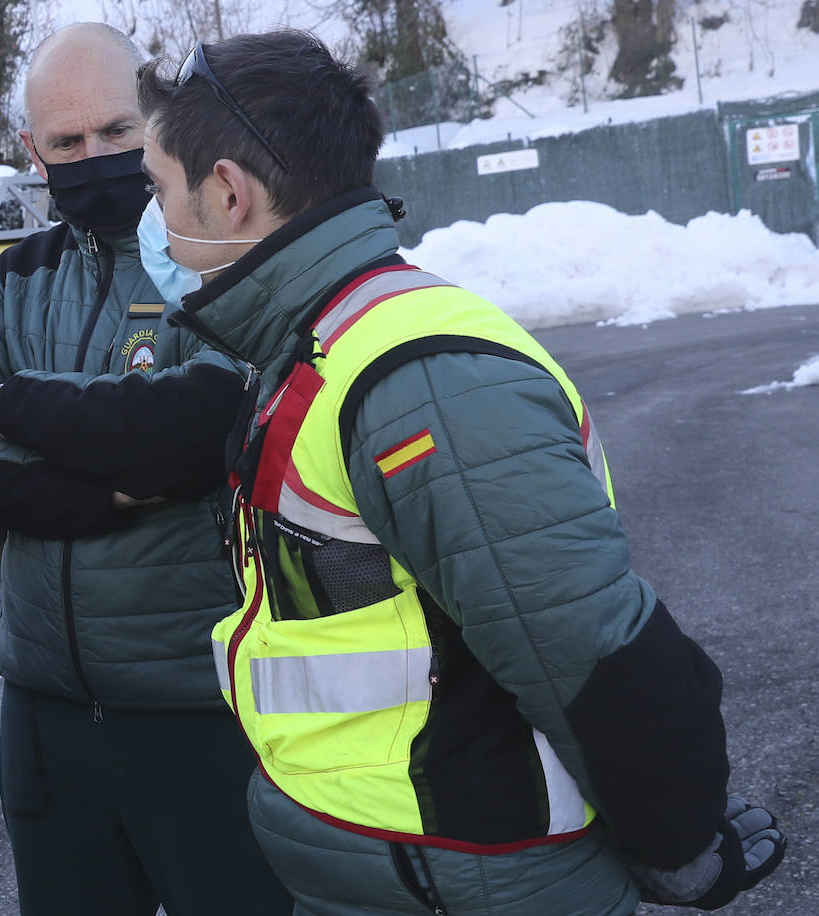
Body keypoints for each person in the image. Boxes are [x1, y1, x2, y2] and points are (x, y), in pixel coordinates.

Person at [133, 30, 787, 916]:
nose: (156, 218)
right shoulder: (310, 339)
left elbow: (586, 647)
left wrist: (677, 839)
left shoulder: (419, 382)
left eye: (159, 189)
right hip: (405, 866)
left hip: (469, 872)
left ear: (229, 192)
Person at [0, 22, 292, 916]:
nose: (94, 157)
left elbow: (194, 433)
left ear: (160, 118)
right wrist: (107, 491)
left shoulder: (223, 263)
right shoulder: (16, 277)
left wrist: (17, 409)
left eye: (117, 133)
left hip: (203, 713)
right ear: (33, 153)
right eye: (67, 143)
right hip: (45, 714)